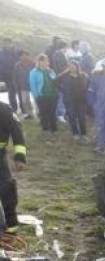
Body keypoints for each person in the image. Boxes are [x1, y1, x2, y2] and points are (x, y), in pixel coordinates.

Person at [0, 101, 26, 235]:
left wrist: (20, 157)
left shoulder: (4, 110)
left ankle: (11, 224)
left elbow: (17, 133)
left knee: (6, 189)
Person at [55, 60, 89, 141]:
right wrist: (62, 90)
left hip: (81, 100)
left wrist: (86, 92)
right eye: (70, 67)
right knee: (72, 117)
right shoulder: (64, 76)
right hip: (69, 101)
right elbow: (55, 82)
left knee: (82, 118)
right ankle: (75, 133)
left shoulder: (83, 75)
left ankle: (83, 134)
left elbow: (89, 84)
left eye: (73, 66)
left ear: (77, 67)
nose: (72, 68)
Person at [29, 54, 58, 134]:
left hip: (52, 95)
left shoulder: (51, 71)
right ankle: (46, 129)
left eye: (46, 60)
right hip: (42, 96)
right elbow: (32, 85)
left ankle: (54, 128)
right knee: (44, 113)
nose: (44, 62)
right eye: (42, 61)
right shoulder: (34, 72)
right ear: (38, 62)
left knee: (52, 112)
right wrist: (36, 96)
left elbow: (55, 81)